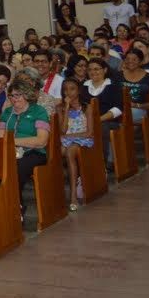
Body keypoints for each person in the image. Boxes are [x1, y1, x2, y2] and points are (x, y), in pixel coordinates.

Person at [0, 80, 51, 215]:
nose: (14, 99)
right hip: (10, 152)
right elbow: (0, 137)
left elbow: (41, 141)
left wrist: (13, 141)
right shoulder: (6, 113)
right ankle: (0, 206)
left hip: (35, 153)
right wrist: (10, 144)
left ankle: (17, 208)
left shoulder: (39, 111)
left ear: (26, 95)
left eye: (18, 95)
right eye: (11, 96)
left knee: (16, 168)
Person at [58, 78, 94, 211]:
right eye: (65, 89)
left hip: (83, 140)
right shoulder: (60, 108)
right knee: (59, 151)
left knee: (69, 151)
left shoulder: (86, 107)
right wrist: (67, 108)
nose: (68, 92)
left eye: (72, 88)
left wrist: (69, 137)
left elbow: (89, 132)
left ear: (78, 90)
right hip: (66, 140)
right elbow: (62, 130)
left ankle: (73, 196)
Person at [85, 58, 124, 169]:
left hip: (108, 121)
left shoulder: (113, 86)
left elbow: (118, 109)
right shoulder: (83, 86)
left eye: (97, 69)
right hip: (86, 120)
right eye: (90, 69)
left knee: (100, 127)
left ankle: (102, 163)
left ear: (105, 70)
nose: (93, 72)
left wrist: (99, 119)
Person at [119, 48, 149, 123]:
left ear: (141, 61)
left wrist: (136, 105)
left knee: (129, 114)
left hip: (139, 109)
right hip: (120, 108)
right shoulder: (118, 75)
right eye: (127, 59)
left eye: (134, 59)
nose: (130, 61)